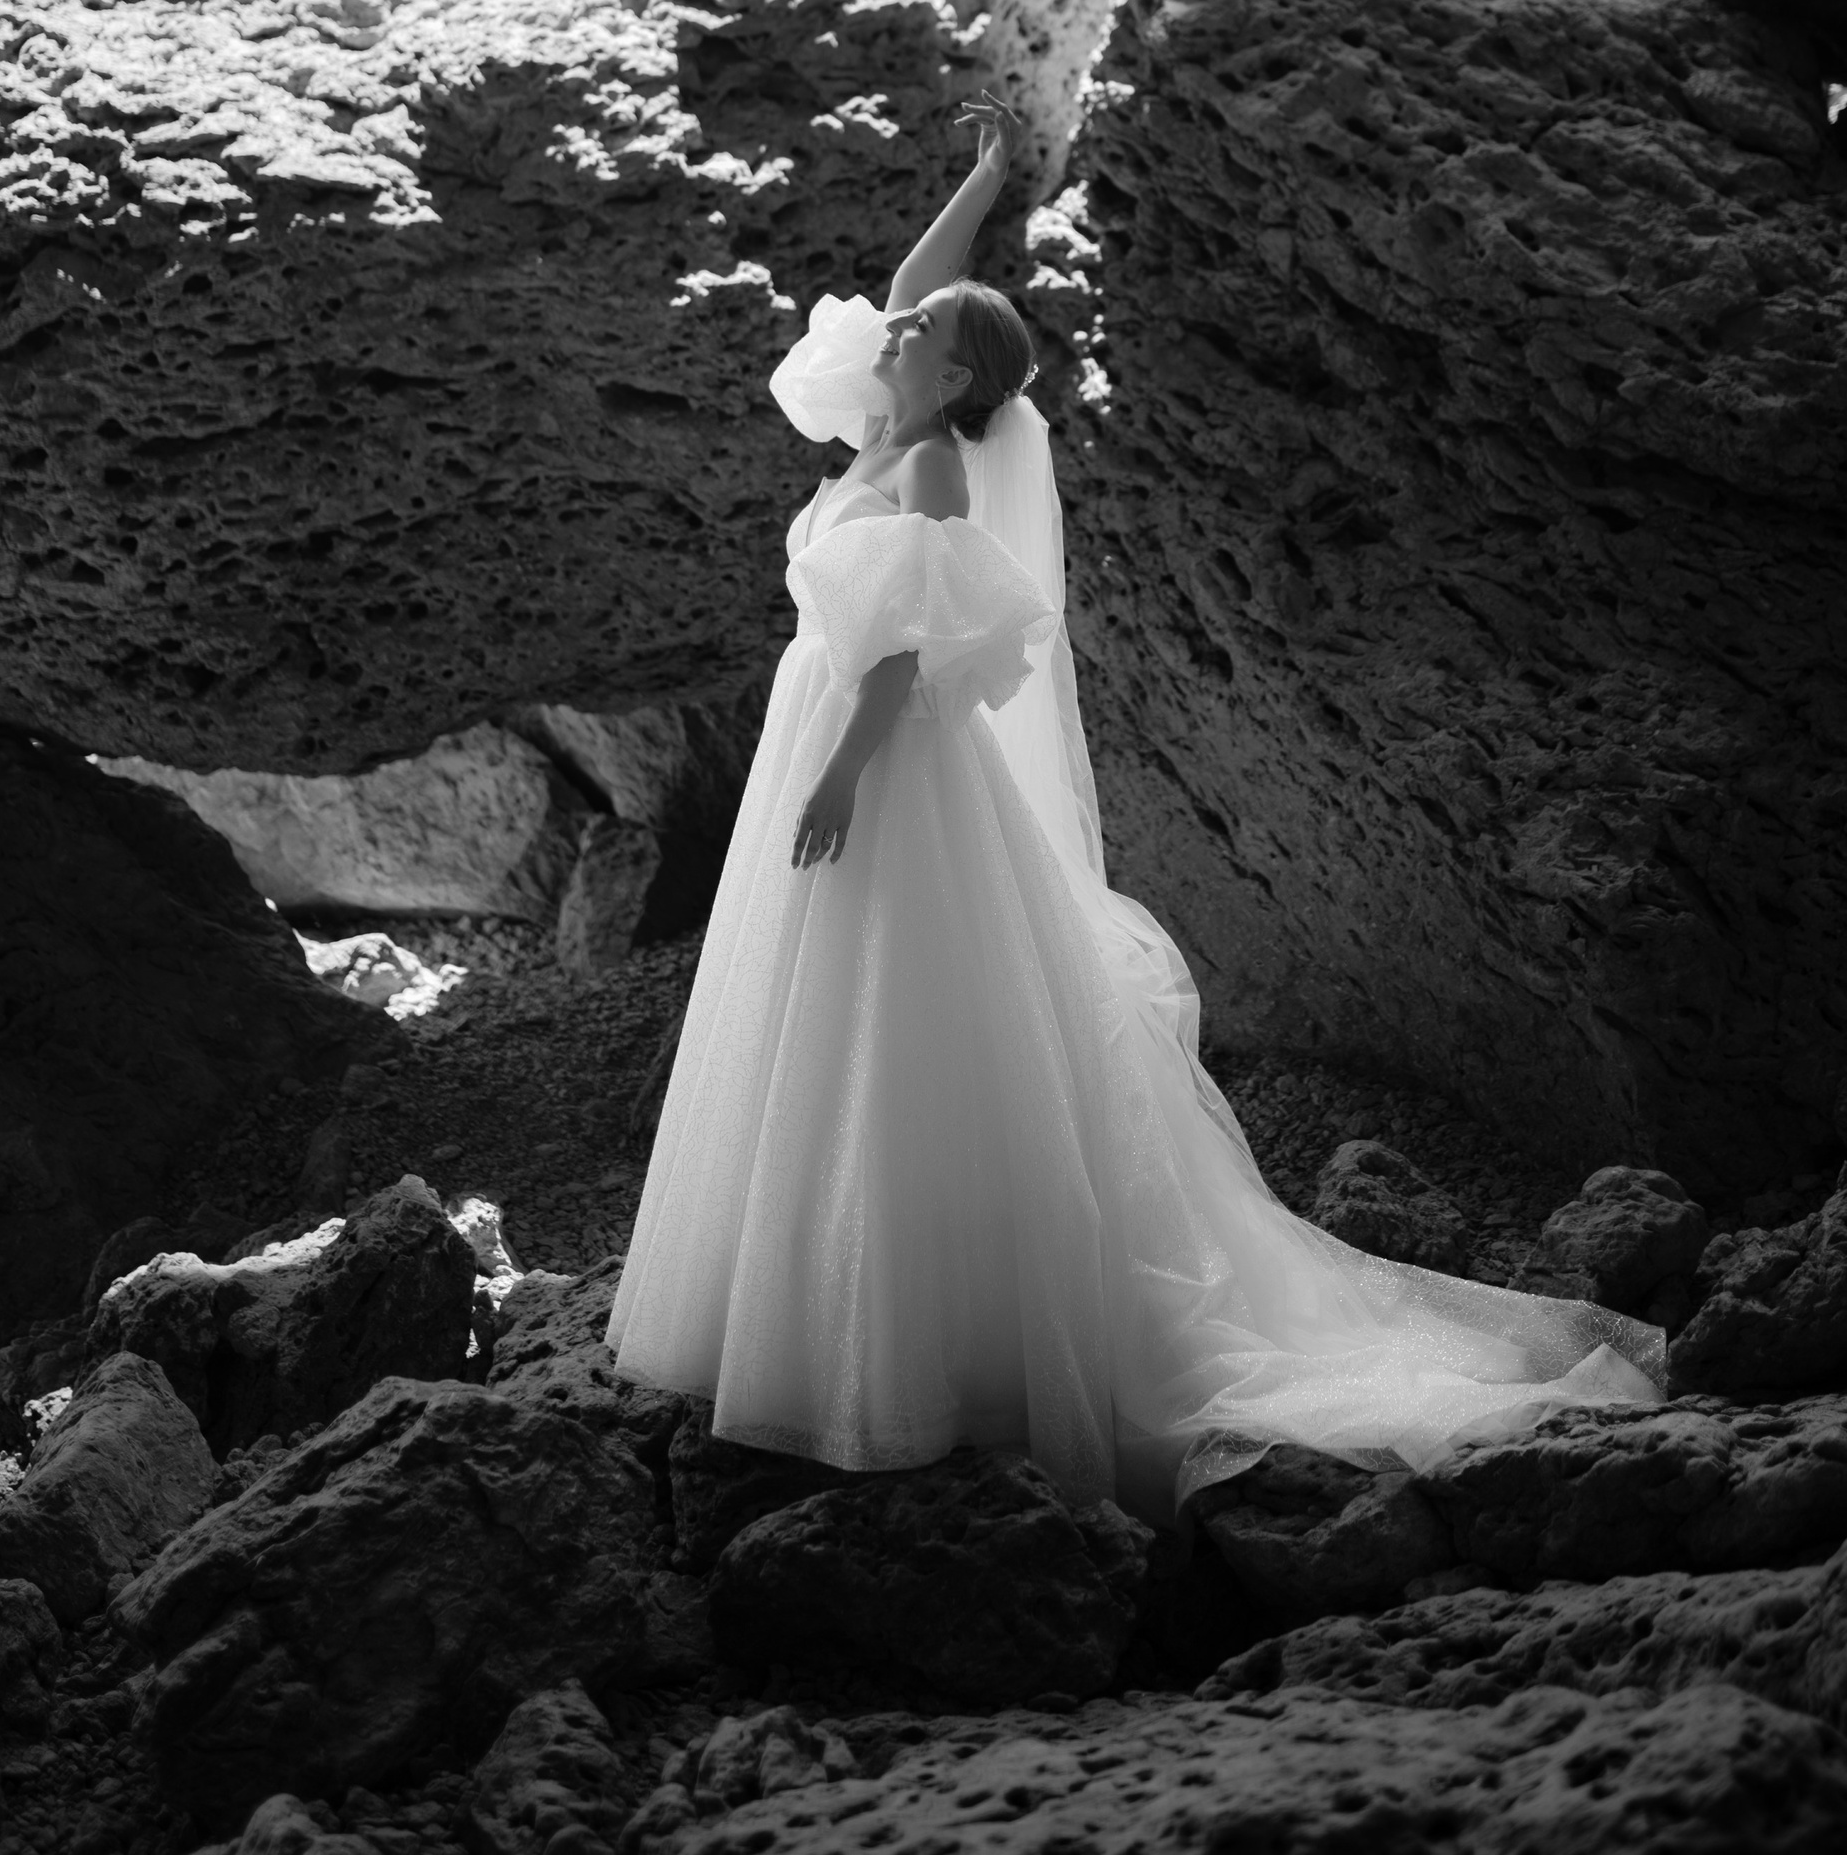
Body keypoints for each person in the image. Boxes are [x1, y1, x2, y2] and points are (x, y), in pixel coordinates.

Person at [607, 94, 1664, 1526]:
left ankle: (908, 1343)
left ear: (957, 378)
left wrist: (844, 772)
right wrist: (985, 176)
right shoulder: (879, 427)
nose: (891, 328)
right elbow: (917, 290)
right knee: (811, 1000)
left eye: (921, 335)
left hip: (879, 745)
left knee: (886, 1005)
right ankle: (799, 1296)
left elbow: (908, 650)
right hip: (828, 716)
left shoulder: (929, 461)